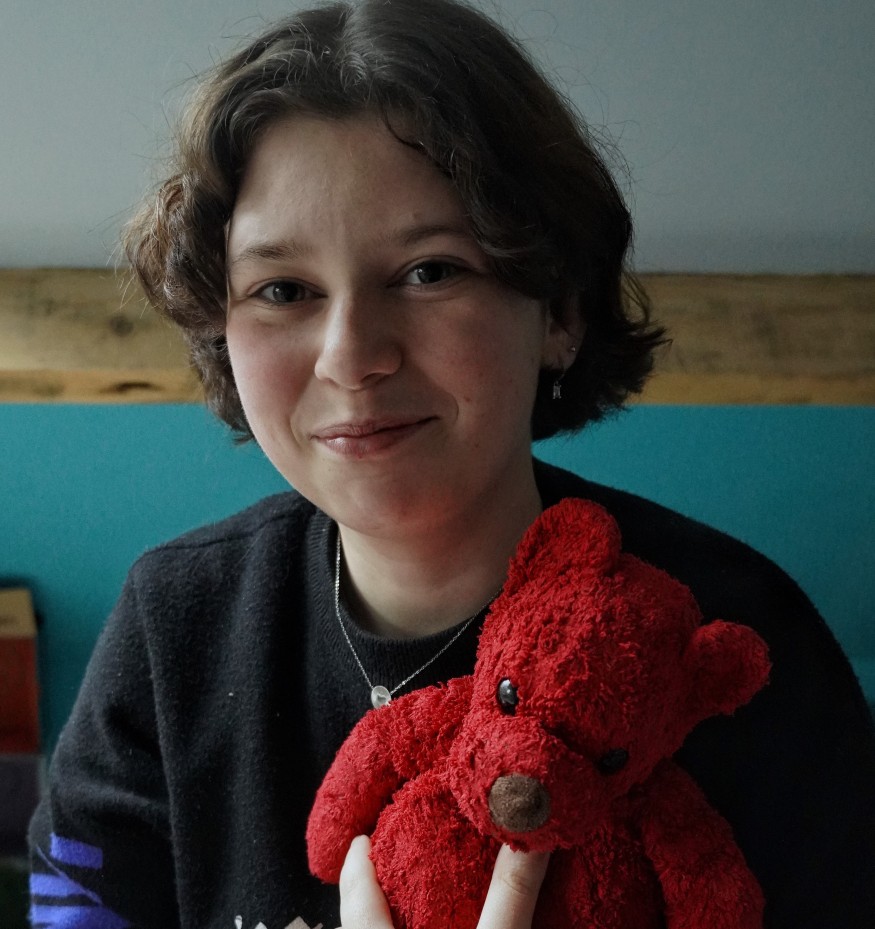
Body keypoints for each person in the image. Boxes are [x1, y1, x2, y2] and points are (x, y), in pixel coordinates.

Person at [29, 0, 875, 927]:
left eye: (429, 271)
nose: (351, 356)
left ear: (558, 312)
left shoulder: (733, 640)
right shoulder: (172, 626)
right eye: (283, 289)